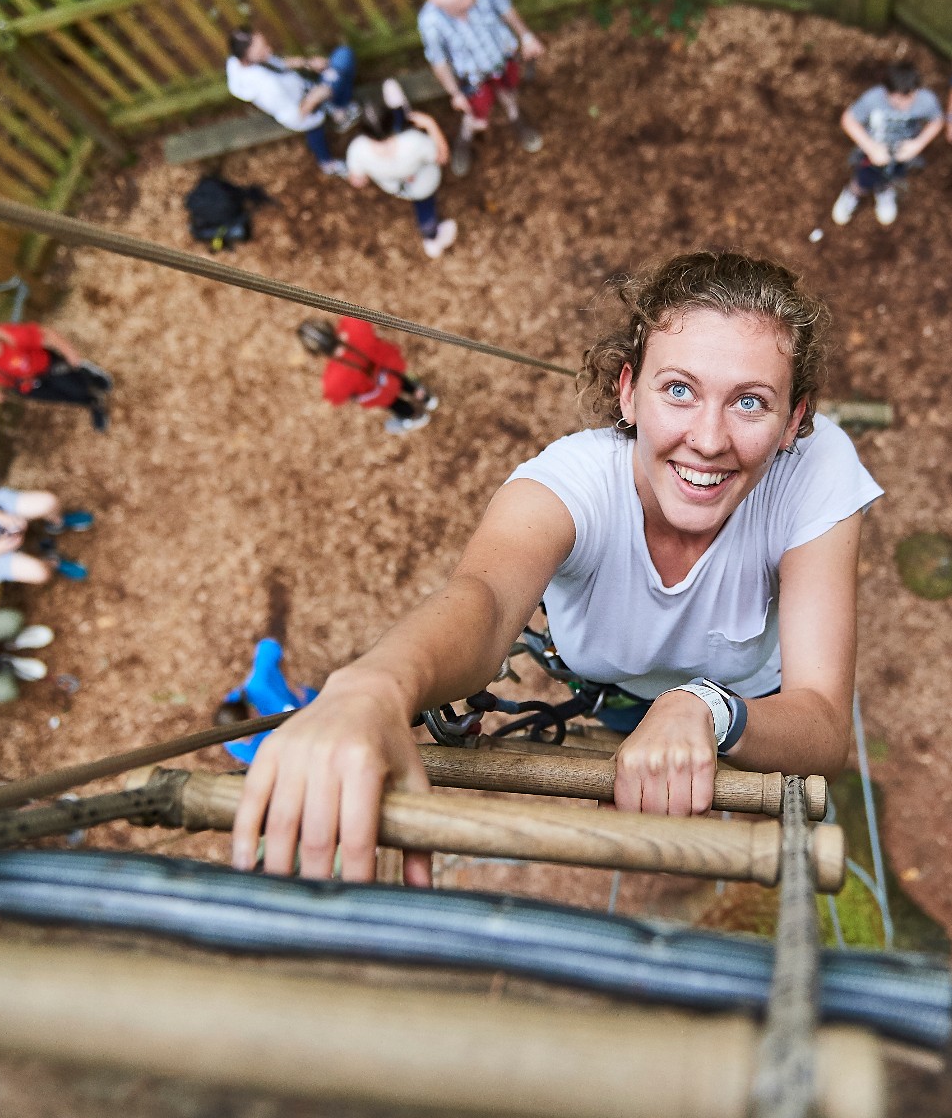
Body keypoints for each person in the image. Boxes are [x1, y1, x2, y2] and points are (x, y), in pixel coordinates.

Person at [233, 251, 882, 886]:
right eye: (678, 390)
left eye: (750, 403)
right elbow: (484, 598)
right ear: (629, 393)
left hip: (752, 707)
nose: (709, 439)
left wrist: (708, 709)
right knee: (660, 766)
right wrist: (373, 686)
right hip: (628, 699)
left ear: (795, 420)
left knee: (702, 782)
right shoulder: (573, 483)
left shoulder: (817, 471)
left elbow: (821, 724)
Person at [417, 0, 547, 177]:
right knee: (474, 112)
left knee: (509, 90)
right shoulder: (430, 23)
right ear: (449, 8)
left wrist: (527, 36)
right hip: (473, 76)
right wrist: (455, 94)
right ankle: (465, 139)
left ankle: (516, 119)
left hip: (503, 56)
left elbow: (506, 9)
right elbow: (438, 61)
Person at [345, 80, 458, 259]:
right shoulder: (413, 141)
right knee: (425, 204)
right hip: (423, 182)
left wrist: (378, 168)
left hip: (395, 186)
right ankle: (432, 239)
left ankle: (431, 239)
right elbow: (443, 157)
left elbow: (358, 180)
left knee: (422, 206)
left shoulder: (357, 149)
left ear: (363, 132)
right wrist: (430, 124)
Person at [225, 27, 359, 177]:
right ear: (246, 58)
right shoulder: (267, 88)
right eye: (262, 49)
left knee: (343, 56)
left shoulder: (244, 61)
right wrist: (318, 95)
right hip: (303, 110)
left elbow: (279, 64)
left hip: (305, 90)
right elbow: (296, 116)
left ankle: (336, 110)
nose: (269, 49)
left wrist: (308, 63)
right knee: (317, 128)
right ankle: (328, 162)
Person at [831, 61, 945, 227]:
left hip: (903, 153)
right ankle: (852, 194)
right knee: (864, 179)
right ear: (886, 92)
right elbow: (848, 119)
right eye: (897, 100)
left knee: (893, 176)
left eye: (909, 98)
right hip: (873, 152)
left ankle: (884, 192)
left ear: (916, 91)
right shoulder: (872, 99)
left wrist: (918, 144)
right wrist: (871, 148)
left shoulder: (926, 100)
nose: (904, 105)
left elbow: (937, 120)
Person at [0, 321, 114, 432]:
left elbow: (47, 335)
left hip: (48, 367)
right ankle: (93, 403)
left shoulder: (11, 338)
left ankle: (89, 373)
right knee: (66, 397)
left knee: (77, 386)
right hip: (26, 386)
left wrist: (70, 354)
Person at [298, 317, 440, 435]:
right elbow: (363, 325)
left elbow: (335, 398)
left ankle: (416, 416)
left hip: (377, 392)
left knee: (394, 403)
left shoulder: (333, 380)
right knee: (404, 382)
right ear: (328, 327)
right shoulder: (354, 326)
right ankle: (426, 398)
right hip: (390, 369)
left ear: (315, 352)